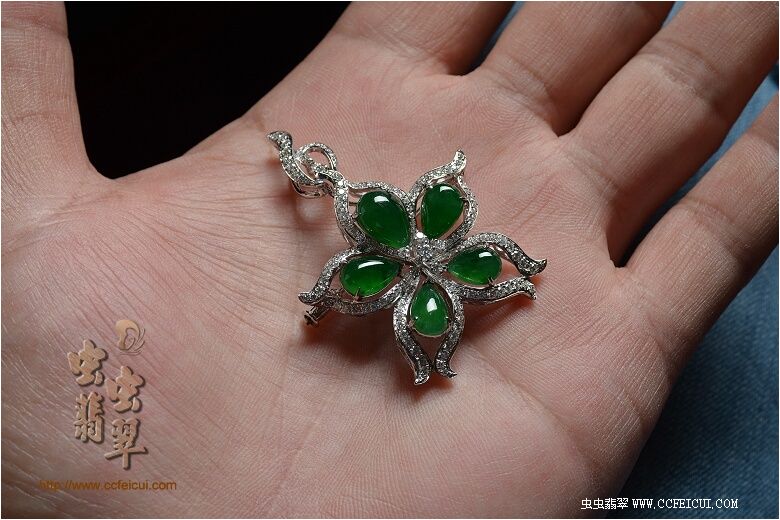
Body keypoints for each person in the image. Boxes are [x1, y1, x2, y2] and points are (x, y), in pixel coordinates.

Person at [2, 2, 777, 517]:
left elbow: (454, 233)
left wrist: (510, 269)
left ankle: (470, 318)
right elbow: (354, 279)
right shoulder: (375, 250)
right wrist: (324, 302)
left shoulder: (414, 231)